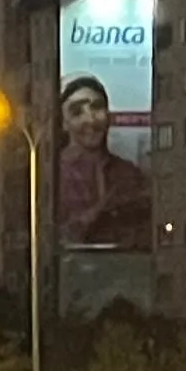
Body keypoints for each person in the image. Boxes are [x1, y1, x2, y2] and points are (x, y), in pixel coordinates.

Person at [49, 72, 155, 251]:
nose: (90, 120)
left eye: (97, 107)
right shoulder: (54, 175)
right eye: (77, 112)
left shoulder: (129, 173)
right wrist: (100, 211)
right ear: (64, 123)